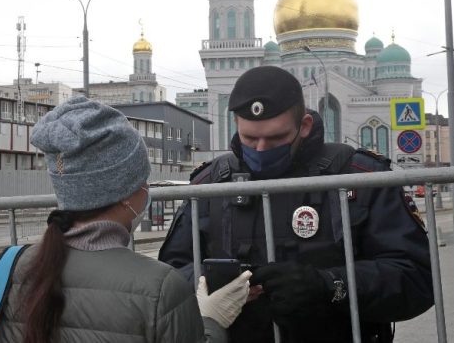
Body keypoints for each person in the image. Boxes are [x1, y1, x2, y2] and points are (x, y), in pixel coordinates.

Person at [158, 66, 434, 343]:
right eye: (250, 138)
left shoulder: (359, 178)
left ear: (304, 126)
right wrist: (210, 280)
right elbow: (169, 275)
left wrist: (329, 285)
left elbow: (416, 278)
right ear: (236, 125)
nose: (261, 149)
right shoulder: (210, 184)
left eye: (276, 138)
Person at [0, 97, 252, 343]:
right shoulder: (161, 288)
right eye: (143, 179)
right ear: (129, 194)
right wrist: (211, 321)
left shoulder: (16, 268)